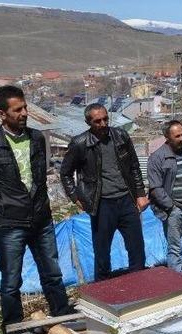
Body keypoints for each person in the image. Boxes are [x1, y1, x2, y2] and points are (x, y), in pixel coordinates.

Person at [0, 85, 74, 334]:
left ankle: (63, 316)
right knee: (11, 282)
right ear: (2, 114)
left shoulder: (37, 138)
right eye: (18, 110)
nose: (25, 113)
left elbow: (38, 177)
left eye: (25, 107)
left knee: (52, 271)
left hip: (41, 218)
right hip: (9, 224)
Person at [60, 103, 148, 281]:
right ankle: (104, 289)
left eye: (106, 119)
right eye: (97, 121)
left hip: (126, 200)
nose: (103, 124)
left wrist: (140, 193)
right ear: (88, 122)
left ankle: (140, 285)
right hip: (102, 205)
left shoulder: (121, 136)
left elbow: (134, 166)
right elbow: (65, 173)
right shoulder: (80, 143)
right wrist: (75, 197)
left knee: (136, 247)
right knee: (102, 252)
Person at [147, 120, 182, 276]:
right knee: (175, 246)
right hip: (173, 210)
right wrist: (171, 206)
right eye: (177, 136)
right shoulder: (158, 158)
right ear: (167, 137)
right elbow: (155, 187)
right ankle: (177, 279)